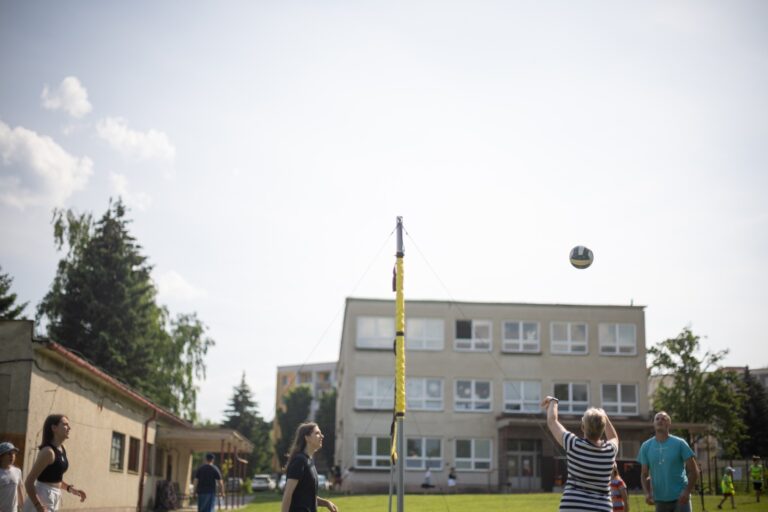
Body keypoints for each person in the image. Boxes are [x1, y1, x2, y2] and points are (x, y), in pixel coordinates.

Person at [541, 396, 619, 511]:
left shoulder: (573, 444)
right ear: (603, 429)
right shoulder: (609, 451)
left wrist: (554, 401)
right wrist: (604, 417)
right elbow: (614, 437)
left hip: (572, 507)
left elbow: (552, 421)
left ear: (583, 427)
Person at [23, 415, 86, 512]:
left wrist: (70, 489)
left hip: (54, 496)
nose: (69, 428)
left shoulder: (63, 449)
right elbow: (28, 483)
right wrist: (39, 506)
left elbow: (54, 479)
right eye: (65, 424)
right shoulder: (48, 452)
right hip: (42, 497)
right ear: (54, 428)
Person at [637, 411, 698, 512]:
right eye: (657, 419)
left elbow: (694, 471)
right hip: (659, 500)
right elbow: (644, 474)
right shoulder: (646, 446)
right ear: (653, 423)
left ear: (669, 424)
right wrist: (647, 493)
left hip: (680, 498)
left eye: (663, 419)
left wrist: (687, 491)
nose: (660, 420)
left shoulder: (680, 443)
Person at [280, 422, 337, 512]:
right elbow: (288, 494)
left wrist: (326, 503)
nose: (322, 436)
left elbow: (306, 497)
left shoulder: (308, 461)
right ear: (307, 438)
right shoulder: (299, 461)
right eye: (317, 433)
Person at [1, 442, 23, 512]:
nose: (12, 456)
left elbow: (20, 490)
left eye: (14, 454)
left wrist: (23, 507)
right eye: (9, 454)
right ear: (1, 456)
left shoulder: (17, 471)